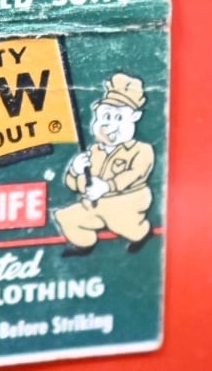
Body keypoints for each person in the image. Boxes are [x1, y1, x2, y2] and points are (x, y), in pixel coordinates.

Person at [54, 73, 155, 255]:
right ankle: (84, 244)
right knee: (66, 217)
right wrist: (75, 172)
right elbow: (75, 185)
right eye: (106, 117)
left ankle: (142, 234)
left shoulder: (142, 150)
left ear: (135, 117)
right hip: (95, 204)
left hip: (127, 201)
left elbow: (135, 174)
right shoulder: (93, 151)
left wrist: (107, 186)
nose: (110, 125)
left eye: (118, 118)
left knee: (124, 224)